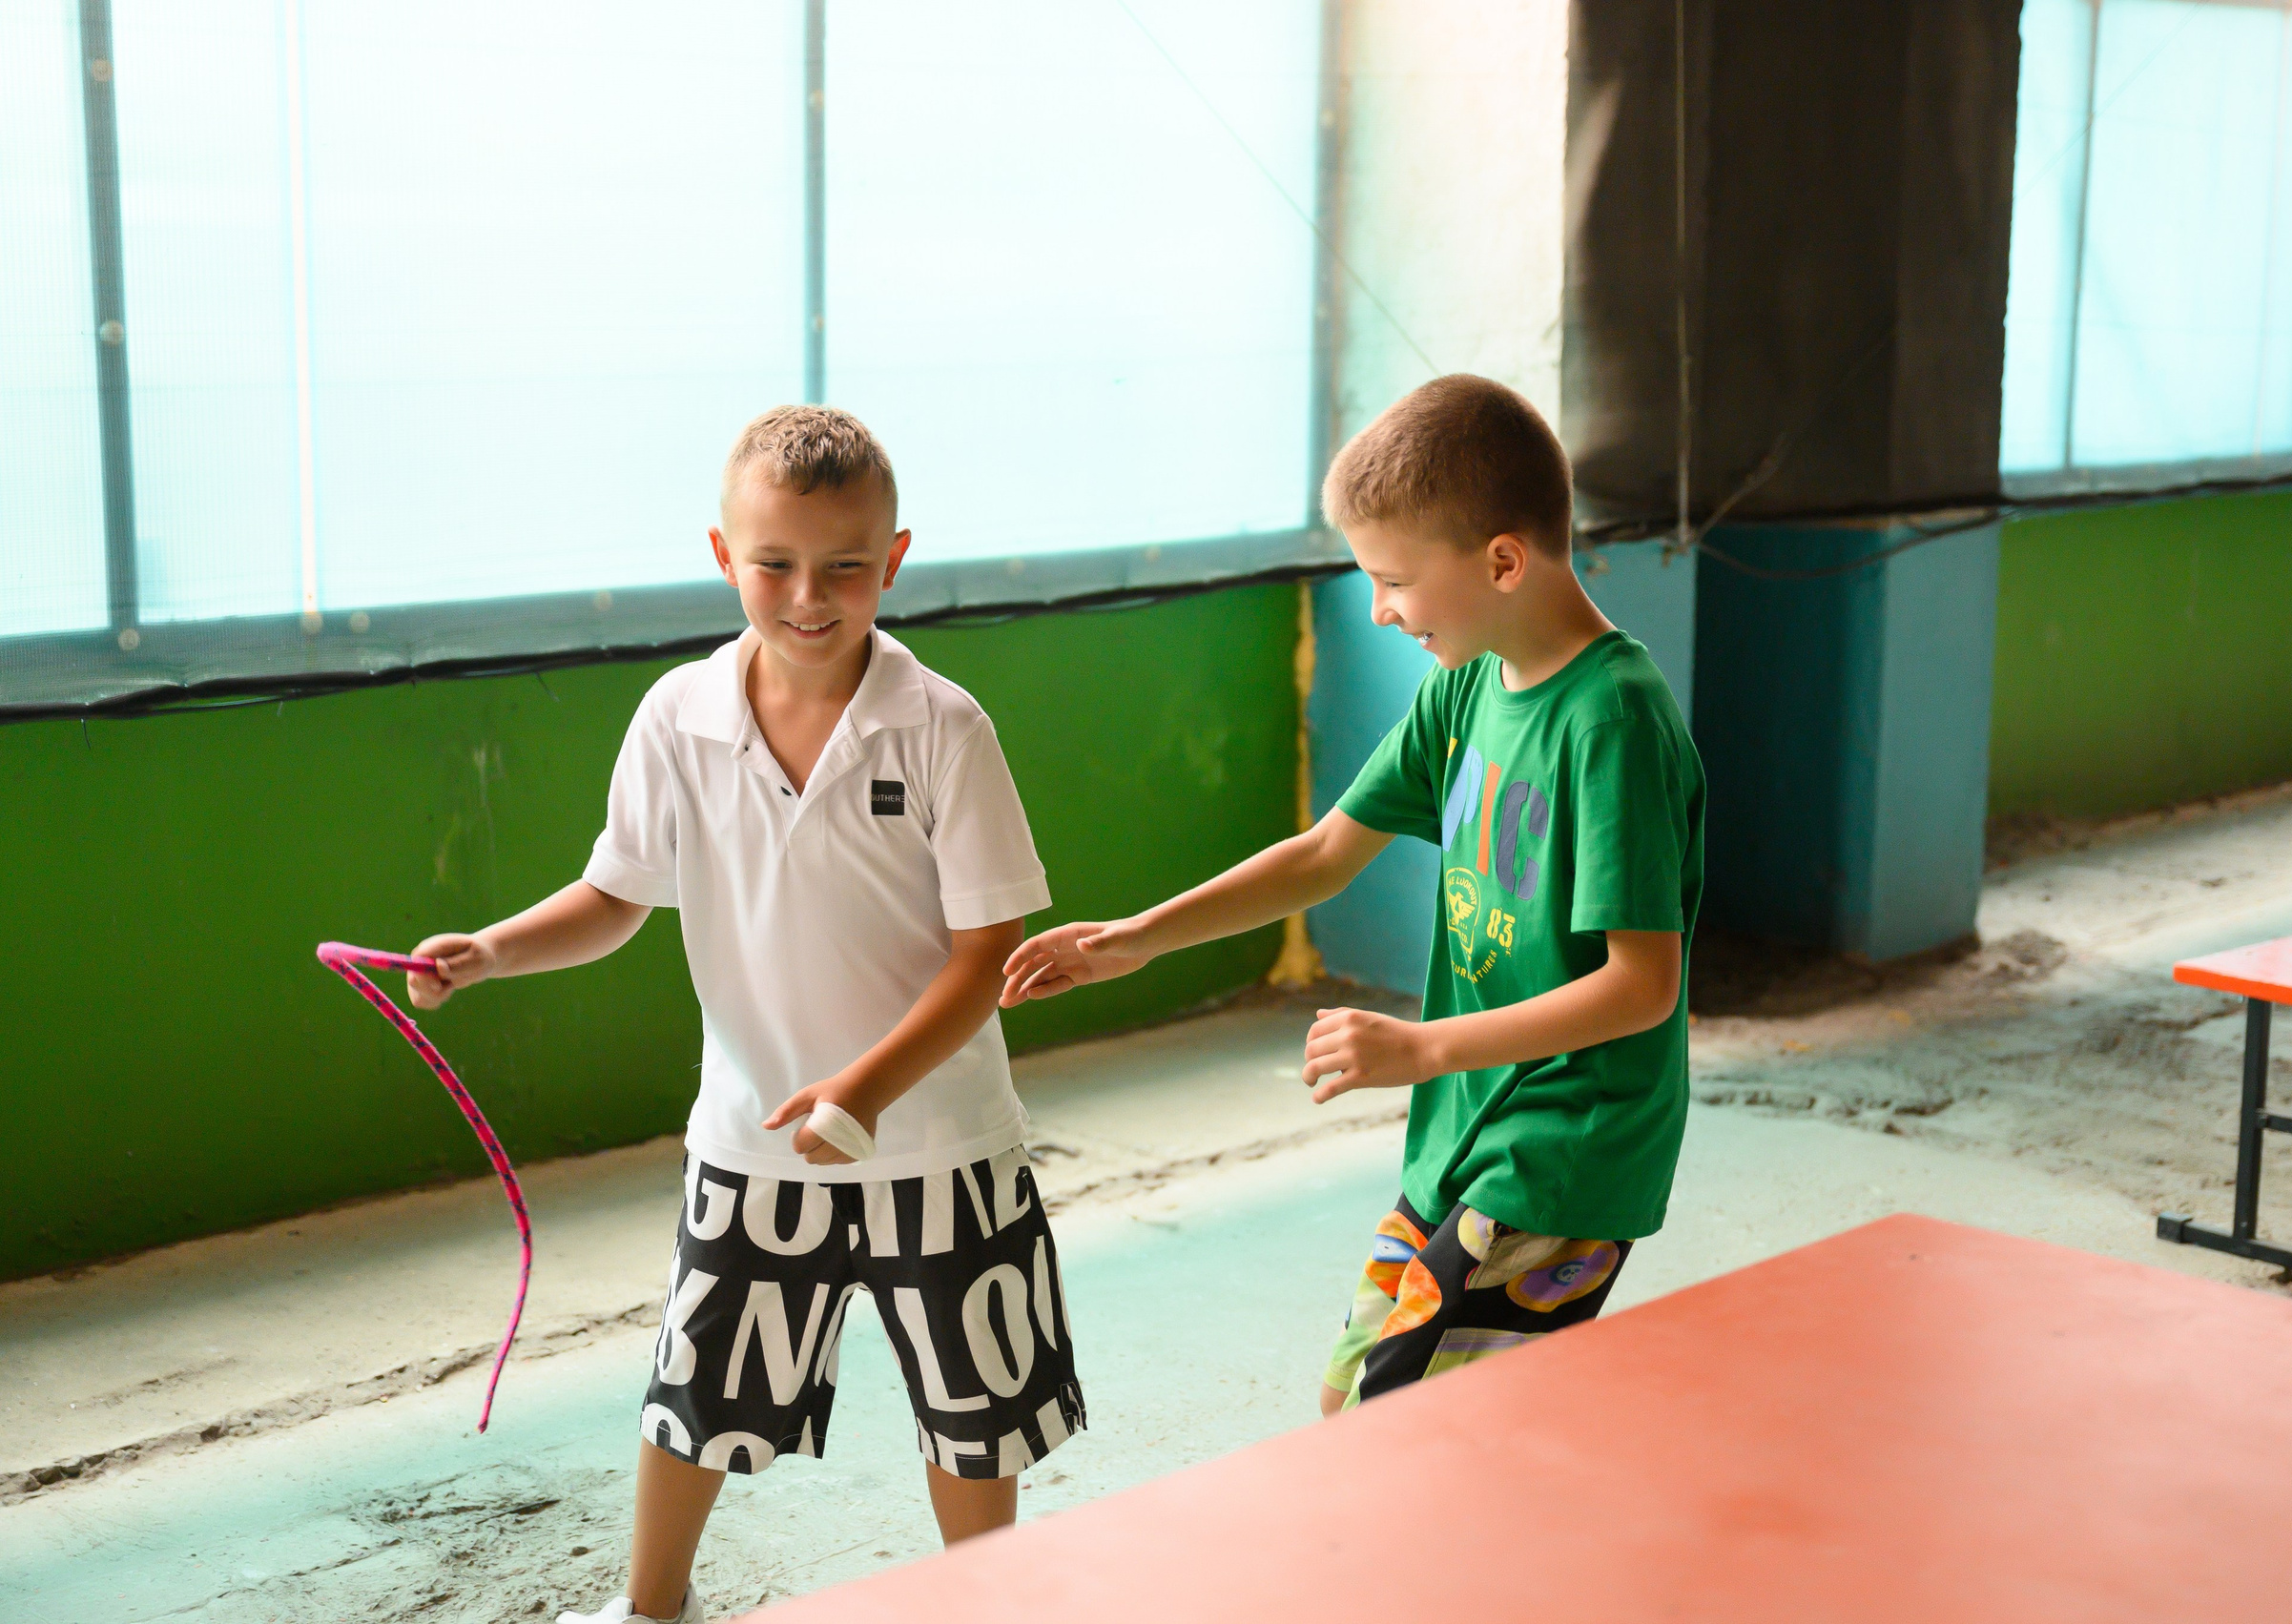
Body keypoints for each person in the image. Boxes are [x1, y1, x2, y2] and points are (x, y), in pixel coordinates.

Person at [407, 406, 1084, 1624]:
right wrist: (495, 949)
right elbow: (616, 894)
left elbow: (988, 952)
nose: (807, 595)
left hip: (942, 1143)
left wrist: (862, 1091)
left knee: (975, 1410)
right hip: (752, 1141)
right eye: (773, 563)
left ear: (894, 558)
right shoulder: (678, 715)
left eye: (843, 566)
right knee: (697, 1390)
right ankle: (650, 1606)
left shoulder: (944, 727)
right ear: (724, 555)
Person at [1001, 374, 1703, 1418]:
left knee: (1405, 1419)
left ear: (1502, 560)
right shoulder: (1467, 684)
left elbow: (1641, 986)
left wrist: (1417, 1047)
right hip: (1461, 1123)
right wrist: (1138, 938)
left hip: (1568, 1143)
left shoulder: (1610, 722)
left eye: (1393, 580)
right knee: (1353, 1404)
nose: (1378, 609)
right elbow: (1327, 849)